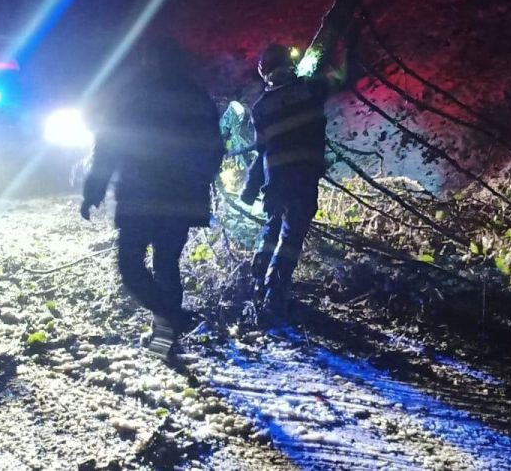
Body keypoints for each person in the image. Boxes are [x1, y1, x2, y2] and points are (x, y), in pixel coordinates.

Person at [81, 37, 223, 351]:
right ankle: (165, 335)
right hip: (180, 199)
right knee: (166, 264)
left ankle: (168, 323)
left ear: (149, 61)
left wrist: (94, 189)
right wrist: (198, 183)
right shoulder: (196, 96)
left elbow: (108, 145)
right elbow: (214, 149)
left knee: (130, 265)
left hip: (140, 196)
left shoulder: (133, 94)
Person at [240, 42, 344, 316]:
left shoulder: (260, 107)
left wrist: (251, 187)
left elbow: (262, 150)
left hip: (275, 179)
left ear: (264, 70)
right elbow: (342, 78)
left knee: (273, 227)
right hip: (304, 175)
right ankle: (274, 295)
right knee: (291, 236)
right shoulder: (310, 88)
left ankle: (257, 283)